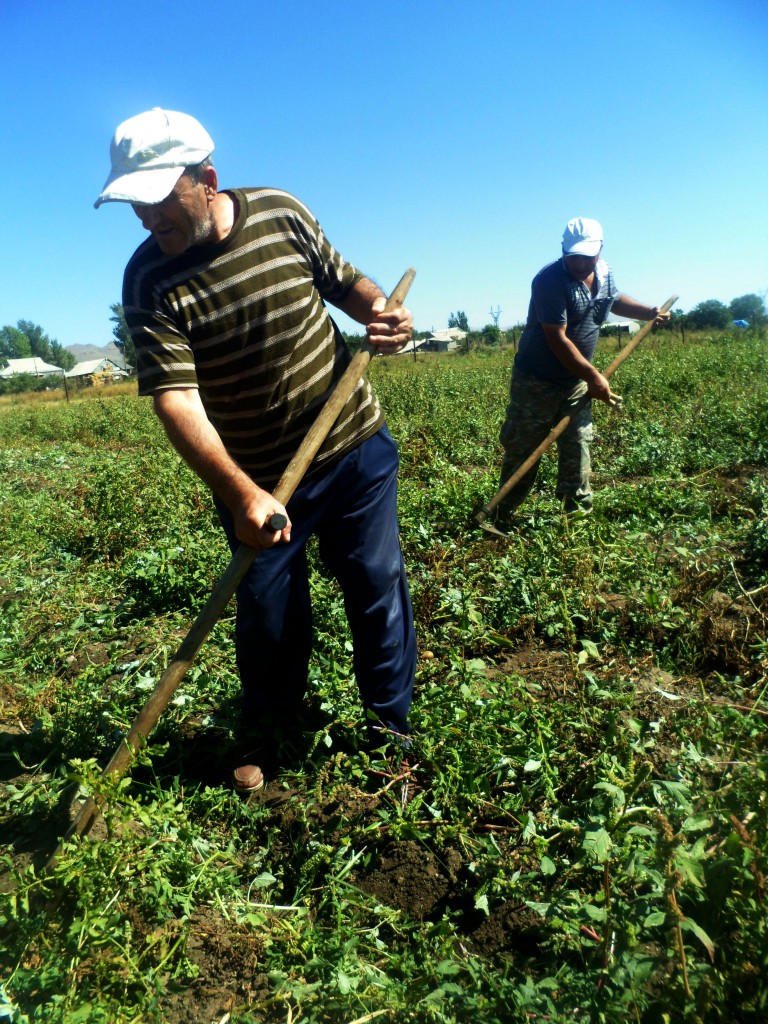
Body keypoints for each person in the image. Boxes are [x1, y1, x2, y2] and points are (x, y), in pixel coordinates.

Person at [95, 108, 417, 791]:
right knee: (268, 612)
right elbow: (176, 399)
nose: (148, 221)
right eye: (135, 205)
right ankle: (270, 731)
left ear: (207, 180)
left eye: (159, 201)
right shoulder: (148, 281)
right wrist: (242, 495)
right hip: (260, 479)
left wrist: (380, 313)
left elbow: (344, 281)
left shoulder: (281, 212)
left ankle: (391, 733)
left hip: (353, 447)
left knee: (374, 588)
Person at [496, 217, 670, 522]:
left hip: (575, 379)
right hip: (536, 379)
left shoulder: (605, 272)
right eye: (573, 255)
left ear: (600, 250)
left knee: (578, 444)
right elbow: (557, 339)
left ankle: (576, 516)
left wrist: (647, 312)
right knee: (524, 446)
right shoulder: (549, 281)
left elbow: (613, 301)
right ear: (563, 249)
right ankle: (501, 512)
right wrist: (594, 377)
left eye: (587, 255)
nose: (580, 262)